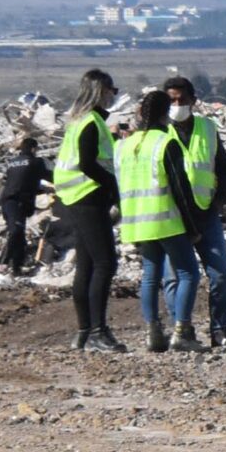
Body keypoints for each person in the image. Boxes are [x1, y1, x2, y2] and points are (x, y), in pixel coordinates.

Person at [161, 76, 226, 351]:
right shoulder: (160, 132)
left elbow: (222, 165)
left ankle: (220, 330)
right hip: (173, 215)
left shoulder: (207, 128)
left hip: (205, 210)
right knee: (174, 277)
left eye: (181, 99)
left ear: (193, 100)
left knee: (220, 273)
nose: (177, 105)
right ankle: (181, 330)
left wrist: (221, 198)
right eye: (171, 100)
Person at [117, 90, 205, 353]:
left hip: (136, 221)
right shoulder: (166, 143)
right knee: (189, 272)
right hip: (165, 219)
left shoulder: (124, 145)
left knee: (149, 276)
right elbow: (180, 188)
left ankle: (153, 331)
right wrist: (192, 226)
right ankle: (182, 331)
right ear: (165, 113)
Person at [52, 69, 125, 352]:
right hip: (88, 196)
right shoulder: (91, 123)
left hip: (75, 197)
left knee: (87, 265)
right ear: (101, 91)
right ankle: (97, 331)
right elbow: (88, 164)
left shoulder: (78, 121)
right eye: (111, 90)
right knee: (105, 263)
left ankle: (84, 332)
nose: (113, 96)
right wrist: (115, 188)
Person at [0, 136, 48, 273]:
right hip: (17, 202)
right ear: (33, 149)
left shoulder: (12, 162)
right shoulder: (36, 162)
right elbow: (48, 176)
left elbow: (16, 180)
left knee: (19, 234)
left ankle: (16, 267)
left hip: (7, 202)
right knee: (16, 231)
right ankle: (3, 262)